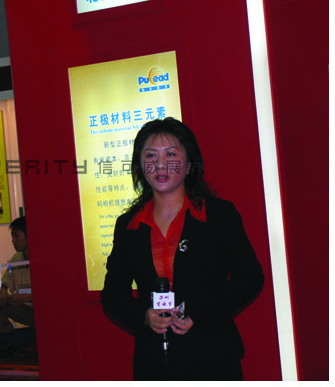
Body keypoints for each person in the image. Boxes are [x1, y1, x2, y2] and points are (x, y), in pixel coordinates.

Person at [100, 117, 264, 381]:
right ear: (140, 165)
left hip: (212, 354)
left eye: (171, 154)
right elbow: (112, 294)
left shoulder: (218, 215)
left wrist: (197, 310)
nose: (160, 164)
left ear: (189, 165)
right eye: (150, 155)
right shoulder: (128, 225)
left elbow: (250, 277)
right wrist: (144, 316)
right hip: (153, 360)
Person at [0, 216, 35, 334]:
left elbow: (52, 292)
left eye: (17, 236)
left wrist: (27, 297)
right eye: (12, 236)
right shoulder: (16, 259)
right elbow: (6, 280)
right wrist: (3, 289)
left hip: (40, 310)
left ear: (28, 235)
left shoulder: (44, 259)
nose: (13, 240)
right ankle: (5, 333)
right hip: (22, 307)